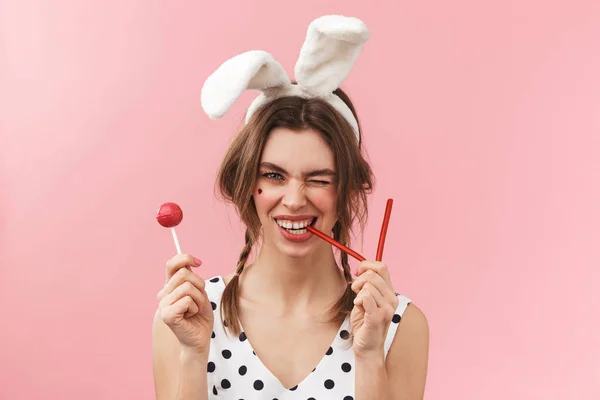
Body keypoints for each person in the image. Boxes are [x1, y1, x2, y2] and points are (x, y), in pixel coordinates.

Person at [152, 15, 429, 400]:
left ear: (347, 190)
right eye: (275, 176)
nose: (296, 200)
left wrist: (368, 357)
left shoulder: (399, 325)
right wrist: (193, 356)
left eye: (318, 179)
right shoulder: (187, 315)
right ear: (248, 184)